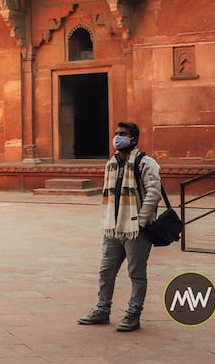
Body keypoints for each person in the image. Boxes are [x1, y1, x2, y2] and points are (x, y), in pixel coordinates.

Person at [77, 121, 162, 332]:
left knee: (136, 274)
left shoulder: (145, 162)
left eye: (122, 134)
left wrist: (141, 222)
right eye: (116, 134)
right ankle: (102, 310)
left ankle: (133, 314)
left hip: (136, 230)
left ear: (133, 139)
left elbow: (153, 193)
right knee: (106, 271)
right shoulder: (111, 163)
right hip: (113, 228)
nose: (117, 137)